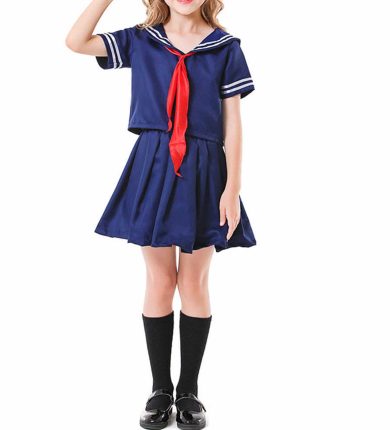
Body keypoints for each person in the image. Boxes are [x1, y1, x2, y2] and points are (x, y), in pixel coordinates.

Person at [66, 0, 257, 428]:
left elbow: (233, 123)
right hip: (153, 164)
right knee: (159, 279)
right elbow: (76, 42)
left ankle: (188, 390)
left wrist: (233, 187)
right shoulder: (141, 40)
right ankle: (159, 389)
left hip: (205, 169)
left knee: (194, 281)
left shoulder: (225, 47)